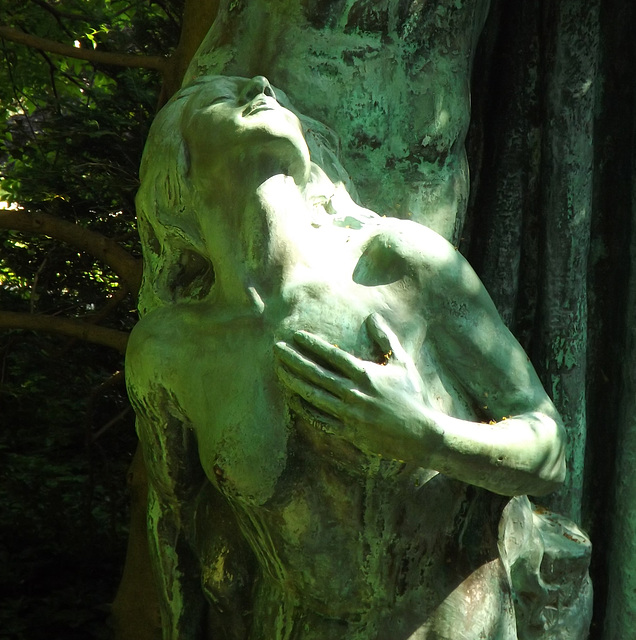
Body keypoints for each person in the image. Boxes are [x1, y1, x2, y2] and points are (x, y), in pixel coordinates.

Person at [126, 75, 566, 640]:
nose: (261, 86)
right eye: (221, 93)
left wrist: (428, 436)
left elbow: (550, 452)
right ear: (178, 168)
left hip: (453, 622)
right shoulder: (169, 351)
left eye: (275, 95)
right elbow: (179, 528)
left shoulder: (399, 267)